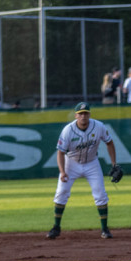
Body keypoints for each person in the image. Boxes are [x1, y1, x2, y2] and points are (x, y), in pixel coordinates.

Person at [47, 101, 121, 239]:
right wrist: (63, 171)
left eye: (86, 113)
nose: (83, 116)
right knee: (61, 192)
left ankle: (105, 230)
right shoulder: (68, 130)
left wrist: (114, 164)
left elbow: (109, 143)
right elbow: (60, 153)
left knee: (100, 195)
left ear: (89, 114)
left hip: (92, 163)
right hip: (71, 163)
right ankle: (56, 227)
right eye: (80, 114)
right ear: (76, 116)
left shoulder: (98, 126)